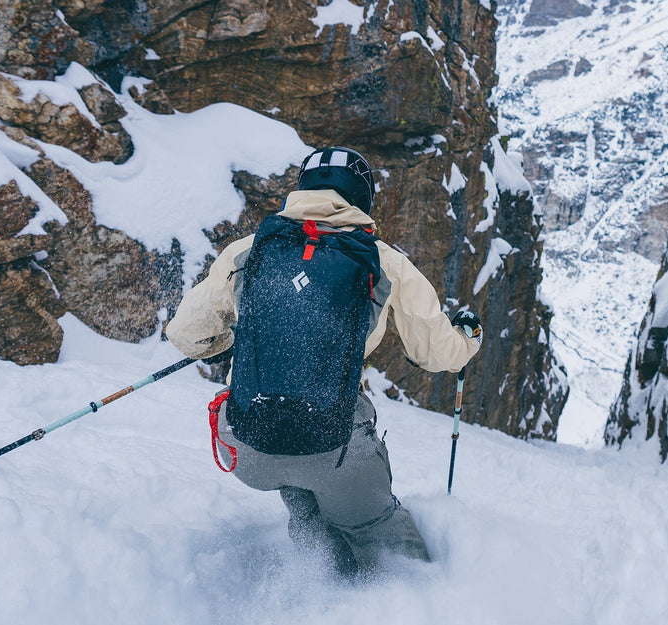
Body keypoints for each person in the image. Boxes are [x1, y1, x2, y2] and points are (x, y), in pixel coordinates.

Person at [165, 146, 482, 575]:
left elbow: (185, 333)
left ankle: (318, 577)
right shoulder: (384, 261)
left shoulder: (249, 250)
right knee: (380, 532)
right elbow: (438, 352)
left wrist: (229, 341)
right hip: (335, 448)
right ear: (361, 198)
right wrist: (468, 337)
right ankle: (421, 599)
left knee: (305, 497)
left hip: (250, 443)